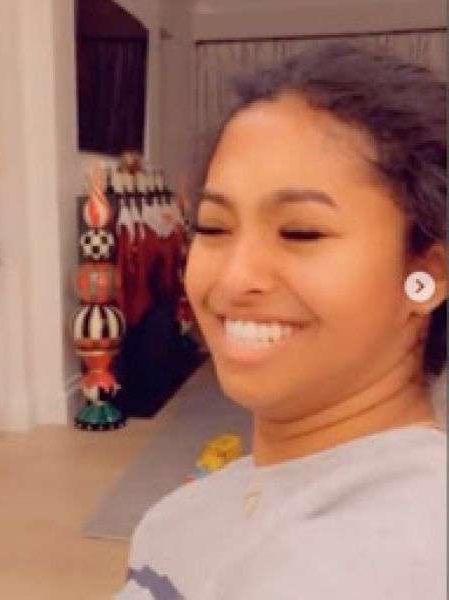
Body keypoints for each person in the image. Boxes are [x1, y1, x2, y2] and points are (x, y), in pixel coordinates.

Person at [118, 43, 447, 599]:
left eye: (301, 232)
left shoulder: (390, 553)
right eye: (214, 227)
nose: (234, 278)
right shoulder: (201, 508)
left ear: (426, 276)